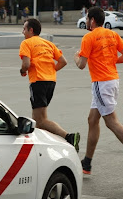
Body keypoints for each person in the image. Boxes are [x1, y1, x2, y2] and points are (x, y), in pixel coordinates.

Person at [74, 6, 123, 175]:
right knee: (93, 120)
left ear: (92, 20)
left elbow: (81, 65)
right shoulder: (113, 34)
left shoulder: (89, 37)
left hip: (101, 82)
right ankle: (87, 162)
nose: (86, 22)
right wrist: (111, 61)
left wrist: (76, 57)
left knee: (111, 122)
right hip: (112, 80)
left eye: (87, 19)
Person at [19, 18, 78, 150]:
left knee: (41, 120)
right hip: (50, 81)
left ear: (31, 30)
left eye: (24, 29)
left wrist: (22, 71)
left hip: (38, 81)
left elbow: (26, 64)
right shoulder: (48, 43)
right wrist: (50, 70)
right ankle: (42, 147)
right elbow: (63, 61)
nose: (22, 32)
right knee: (38, 119)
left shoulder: (26, 43)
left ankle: (68, 137)